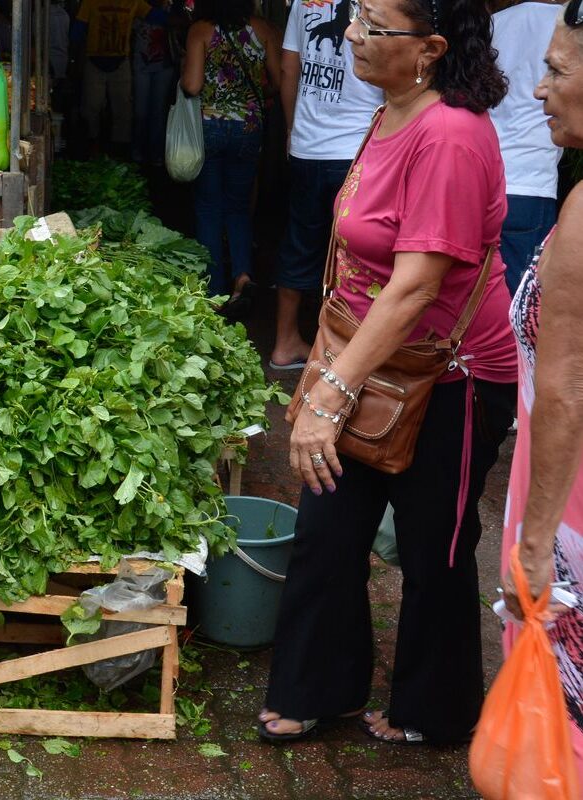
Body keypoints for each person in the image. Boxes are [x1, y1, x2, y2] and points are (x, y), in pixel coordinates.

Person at [258, 0, 517, 745]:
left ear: (430, 49)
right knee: (328, 521)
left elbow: (415, 286)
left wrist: (330, 393)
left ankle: (434, 710)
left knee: (436, 546)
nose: (351, 35)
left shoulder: (451, 137)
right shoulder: (391, 111)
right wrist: (334, 366)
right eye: (356, 18)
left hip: (452, 377)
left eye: (374, 25)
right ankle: (321, 686)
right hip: (374, 354)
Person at [500, 1, 583, 782]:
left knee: (562, 730)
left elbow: (563, 395)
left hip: (569, 509)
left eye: (556, 71)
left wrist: (534, 541)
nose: (538, 90)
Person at [269, 0, 383, 370]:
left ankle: (285, 342)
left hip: (307, 147)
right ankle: (343, 351)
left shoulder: (303, 2)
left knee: (300, 240)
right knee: (355, 253)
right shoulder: (379, 5)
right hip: (357, 149)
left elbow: (290, 66)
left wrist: (292, 129)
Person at [179, 0, 281, 302]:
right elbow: (278, 81)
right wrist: (248, 98)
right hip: (249, 128)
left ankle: (214, 290)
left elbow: (193, 85)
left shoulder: (201, 30)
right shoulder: (263, 29)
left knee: (209, 208)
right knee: (238, 208)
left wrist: (185, 75)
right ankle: (243, 276)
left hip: (209, 126)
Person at [488, 0, 563, 296]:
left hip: (486, 174)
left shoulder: (493, 23)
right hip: (532, 181)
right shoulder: (566, 24)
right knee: (522, 301)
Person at [72, 0, 160, 154]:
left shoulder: (133, 2)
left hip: (120, 61)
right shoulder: (90, 2)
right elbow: (78, 31)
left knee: (123, 110)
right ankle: (92, 147)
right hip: (95, 60)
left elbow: (155, 15)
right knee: (91, 108)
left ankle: (119, 151)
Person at [131, 2, 175, 165]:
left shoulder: (171, 8)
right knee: (140, 111)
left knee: (157, 111)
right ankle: (139, 148)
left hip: (163, 65)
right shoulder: (138, 5)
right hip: (142, 64)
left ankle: (154, 151)